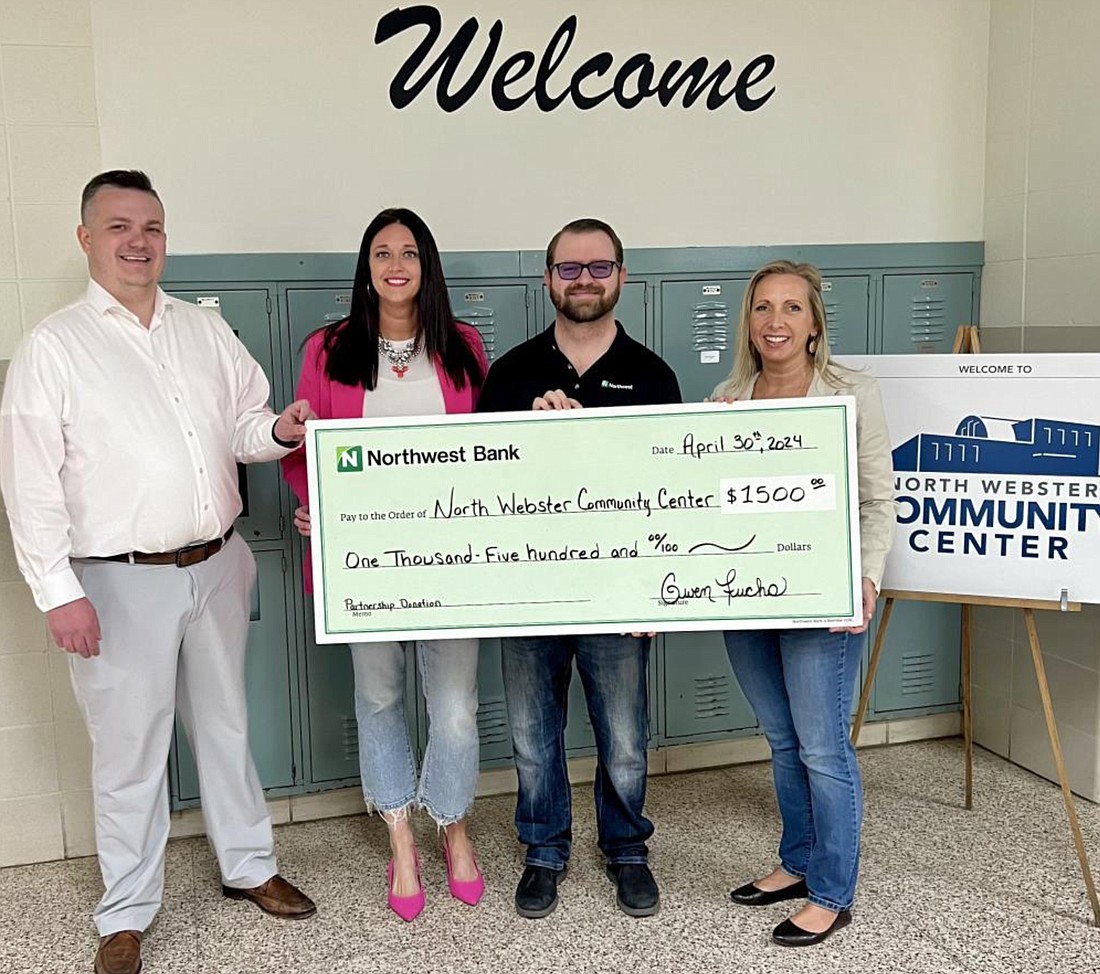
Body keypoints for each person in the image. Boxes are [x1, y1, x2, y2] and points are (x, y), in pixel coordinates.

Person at [0, 170, 316, 974]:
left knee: (226, 725)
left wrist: (279, 428)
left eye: (151, 227)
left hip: (216, 565)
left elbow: (244, 423)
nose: (137, 241)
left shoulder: (201, 330)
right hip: (114, 581)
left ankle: (250, 866)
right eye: (117, 227)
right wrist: (57, 592)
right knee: (129, 750)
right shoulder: (55, 347)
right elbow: (28, 483)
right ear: (85, 239)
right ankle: (127, 912)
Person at [281, 207, 487, 922]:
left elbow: (492, 453)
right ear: (365, 269)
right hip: (365, 567)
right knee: (378, 699)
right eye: (381, 253)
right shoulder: (330, 348)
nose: (395, 264)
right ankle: (401, 835)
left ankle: (453, 822)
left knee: (456, 710)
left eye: (409, 252)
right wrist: (317, 510)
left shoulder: (463, 347)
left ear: (426, 267)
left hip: (452, 563)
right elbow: (304, 446)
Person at [477, 217, 681, 919]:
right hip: (529, 594)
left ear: (622, 276)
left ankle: (626, 848)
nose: (585, 280)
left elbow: (671, 492)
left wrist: (658, 594)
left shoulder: (654, 375)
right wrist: (532, 440)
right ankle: (544, 850)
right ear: (548, 280)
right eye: (570, 268)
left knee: (623, 738)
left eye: (599, 267)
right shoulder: (510, 374)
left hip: (619, 596)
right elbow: (482, 489)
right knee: (534, 737)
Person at [711, 260, 896, 947]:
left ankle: (831, 890)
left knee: (823, 747)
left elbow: (878, 499)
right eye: (763, 308)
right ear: (749, 322)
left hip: (825, 600)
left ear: (815, 323)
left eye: (792, 308)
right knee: (784, 738)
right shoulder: (727, 400)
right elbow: (706, 505)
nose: (776, 322)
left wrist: (867, 579)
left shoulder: (852, 393)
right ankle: (797, 862)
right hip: (747, 601)